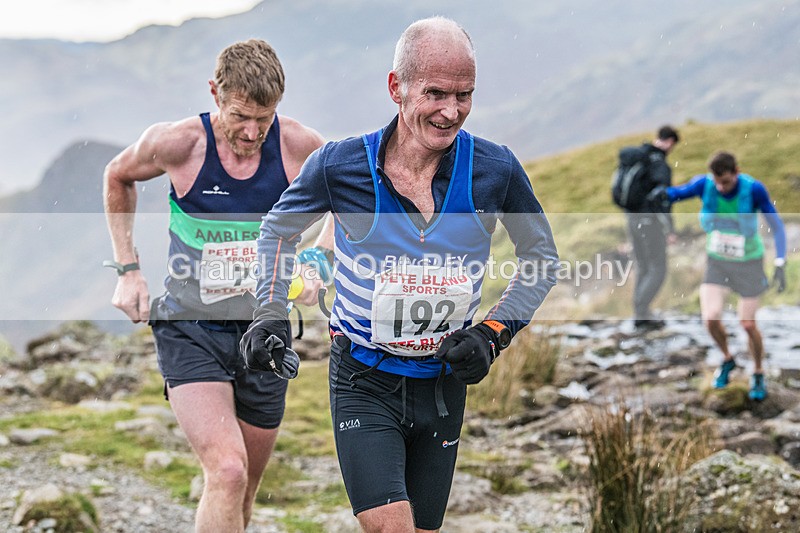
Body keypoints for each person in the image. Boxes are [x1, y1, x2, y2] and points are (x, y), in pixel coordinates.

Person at [239, 17, 558, 532]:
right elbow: (278, 231)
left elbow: (542, 258)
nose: (450, 111)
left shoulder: (495, 170)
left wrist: (494, 333)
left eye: (464, 95)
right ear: (397, 87)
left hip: (442, 386)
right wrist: (270, 313)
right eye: (435, 93)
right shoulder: (339, 166)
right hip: (363, 380)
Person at [103, 39, 329, 532]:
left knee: (244, 487)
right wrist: (129, 269)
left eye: (263, 119)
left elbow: (355, 194)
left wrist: (318, 260)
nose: (251, 133)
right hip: (190, 326)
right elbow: (118, 175)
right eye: (239, 116)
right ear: (214, 93)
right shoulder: (179, 143)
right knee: (226, 472)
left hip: (264, 331)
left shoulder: (298, 146)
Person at [668, 150, 787, 401]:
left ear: (736, 172)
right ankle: (727, 359)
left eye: (727, 182)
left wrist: (780, 262)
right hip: (718, 262)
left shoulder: (754, 189)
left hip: (749, 263)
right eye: (717, 182)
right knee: (710, 318)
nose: (721, 188)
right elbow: (675, 194)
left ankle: (757, 371)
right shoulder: (705, 185)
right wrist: (655, 195)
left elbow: (776, 226)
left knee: (747, 324)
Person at [620, 125, 680, 330]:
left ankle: (640, 312)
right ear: (670, 142)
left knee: (643, 265)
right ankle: (641, 311)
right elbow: (662, 200)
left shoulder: (638, 157)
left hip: (631, 218)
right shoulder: (659, 164)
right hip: (649, 220)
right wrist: (670, 229)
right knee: (658, 268)